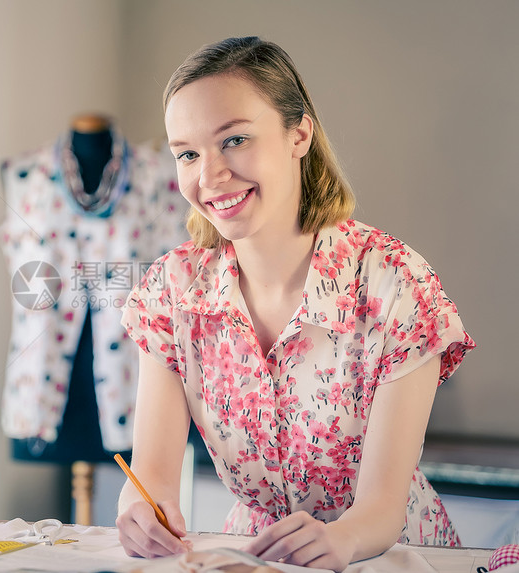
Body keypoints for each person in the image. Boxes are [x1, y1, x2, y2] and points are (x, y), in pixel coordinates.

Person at [116, 36, 474, 571]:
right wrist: (140, 510)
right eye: (187, 153)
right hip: (253, 559)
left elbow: (379, 510)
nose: (209, 175)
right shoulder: (172, 292)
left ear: (298, 134)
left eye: (234, 139)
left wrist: (341, 540)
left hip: (386, 556)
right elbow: (151, 478)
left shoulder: (397, 282)